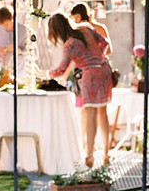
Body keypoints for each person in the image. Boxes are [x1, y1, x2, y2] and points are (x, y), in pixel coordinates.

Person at [41, 12, 113, 168]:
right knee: (103, 113)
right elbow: (105, 43)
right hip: (104, 70)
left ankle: (89, 156)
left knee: (90, 114)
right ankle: (106, 154)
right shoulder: (85, 28)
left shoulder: (70, 44)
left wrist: (44, 74)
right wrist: (97, 55)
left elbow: (61, 69)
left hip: (90, 75)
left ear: (57, 31)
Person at [0, 6, 28, 78]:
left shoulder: (25, 30)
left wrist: (19, 49)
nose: (4, 28)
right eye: (1, 26)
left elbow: (35, 54)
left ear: (12, 18)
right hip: (2, 73)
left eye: (6, 24)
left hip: (20, 74)